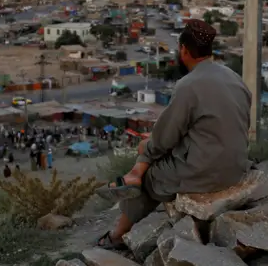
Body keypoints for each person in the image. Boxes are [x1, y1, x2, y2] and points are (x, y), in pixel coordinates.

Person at [95, 20, 252, 249]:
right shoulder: (235, 78)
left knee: (149, 171)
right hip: (237, 167)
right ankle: (136, 172)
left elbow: (164, 139)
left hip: (204, 173)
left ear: (184, 50)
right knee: (153, 150)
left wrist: (145, 151)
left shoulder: (188, 85)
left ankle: (117, 234)